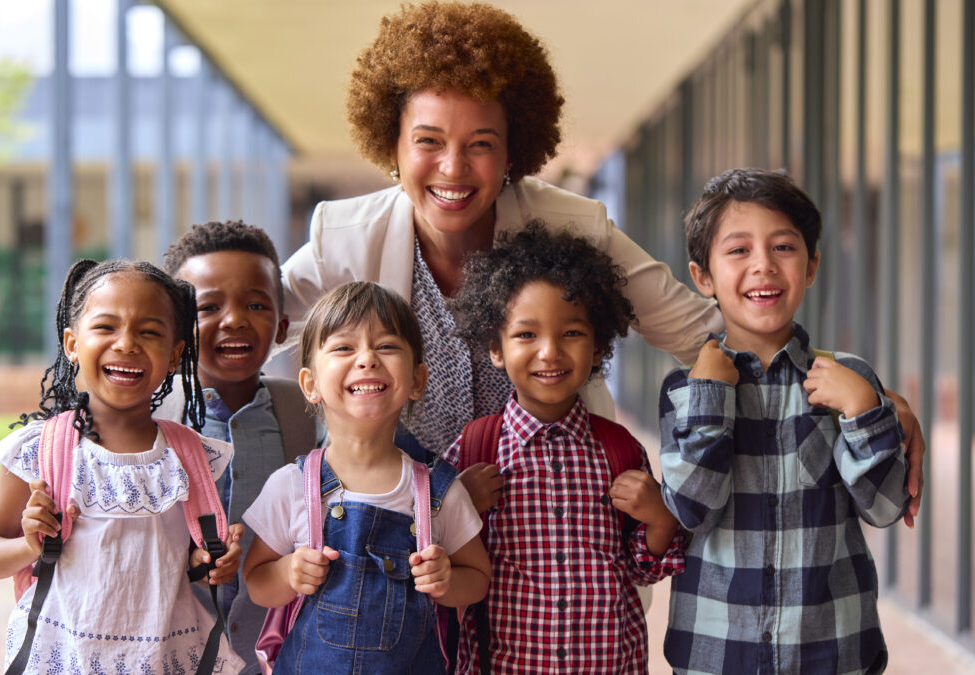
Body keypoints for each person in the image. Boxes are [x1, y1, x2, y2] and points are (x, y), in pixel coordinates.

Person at [276, 1, 924, 526]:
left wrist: (860, 393)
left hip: (551, 525)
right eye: (428, 142)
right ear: (390, 143)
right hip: (409, 529)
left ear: (513, 153)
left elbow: (706, 331)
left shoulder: (569, 224)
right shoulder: (346, 235)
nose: (452, 168)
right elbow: (251, 314)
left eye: (481, 144)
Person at [659, 169, 909, 674]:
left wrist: (863, 409)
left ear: (812, 265)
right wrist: (712, 395)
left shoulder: (848, 380)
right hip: (717, 652)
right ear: (702, 275)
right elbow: (689, 508)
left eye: (783, 248)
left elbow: (885, 507)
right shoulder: (685, 389)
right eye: (738, 250)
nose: (763, 266)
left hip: (834, 650)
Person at [0, 259, 245, 673]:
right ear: (72, 343)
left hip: (163, 658)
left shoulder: (190, 456)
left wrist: (211, 564)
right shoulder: (42, 451)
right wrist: (29, 545)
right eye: (105, 327)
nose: (127, 343)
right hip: (64, 658)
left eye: (149, 332)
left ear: (174, 355)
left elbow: (184, 564)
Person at [445, 224, 685, 673]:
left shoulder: (618, 449)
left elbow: (643, 569)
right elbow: (435, 557)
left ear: (598, 348)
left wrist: (659, 517)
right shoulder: (477, 449)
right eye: (526, 335)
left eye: (572, 333)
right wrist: (457, 506)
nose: (550, 352)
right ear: (496, 349)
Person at [242, 281, 491, 674]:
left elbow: (477, 578)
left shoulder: (439, 491)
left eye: (387, 346)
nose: (367, 359)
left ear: (417, 380)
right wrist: (288, 572)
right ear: (310, 385)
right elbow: (256, 582)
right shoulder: (290, 485)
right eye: (344, 347)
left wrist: (446, 581)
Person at [161, 220, 321, 672]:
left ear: (283, 326)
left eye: (256, 303)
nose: (234, 319)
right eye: (208, 306)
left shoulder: (307, 419)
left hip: (272, 656)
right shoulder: (147, 422)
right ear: (174, 330)